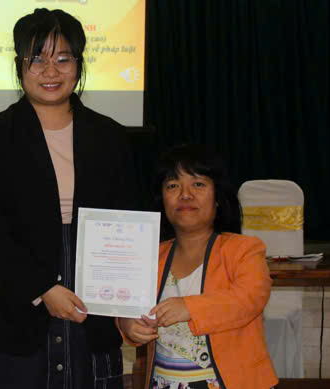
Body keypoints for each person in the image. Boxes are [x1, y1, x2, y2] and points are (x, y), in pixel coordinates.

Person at [0, 8, 139, 389]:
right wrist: (41, 288)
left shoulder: (111, 136)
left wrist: (126, 307)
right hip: (11, 312)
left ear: (79, 64)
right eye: (37, 59)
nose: (50, 71)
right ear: (19, 66)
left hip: (92, 309)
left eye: (63, 59)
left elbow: (127, 224)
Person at [118, 144, 277, 389]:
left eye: (198, 184)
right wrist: (128, 325)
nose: (185, 195)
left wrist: (189, 307)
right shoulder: (149, 255)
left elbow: (250, 298)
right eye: (173, 185)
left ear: (218, 198)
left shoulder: (244, 249)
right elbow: (127, 306)